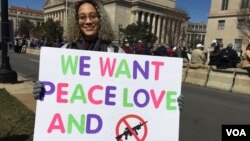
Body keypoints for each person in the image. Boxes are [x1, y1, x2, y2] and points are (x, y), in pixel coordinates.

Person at [33, 0, 183, 110]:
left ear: (100, 19)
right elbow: (57, 95)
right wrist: (42, 91)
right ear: (76, 21)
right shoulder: (64, 52)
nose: (88, 21)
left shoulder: (118, 54)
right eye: (82, 17)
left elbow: (135, 92)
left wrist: (167, 102)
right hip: (74, 126)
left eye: (93, 16)